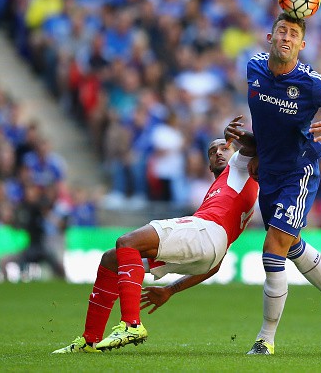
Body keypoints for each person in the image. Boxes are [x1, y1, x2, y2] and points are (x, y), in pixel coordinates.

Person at [52, 117, 259, 353]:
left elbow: (253, 146)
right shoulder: (225, 190)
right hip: (209, 251)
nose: (219, 153)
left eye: (224, 148)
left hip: (206, 232)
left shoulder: (238, 167)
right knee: (111, 259)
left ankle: (131, 324)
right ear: (209, 166)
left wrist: (238, 135)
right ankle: (90, 340)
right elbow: (214, 264)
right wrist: (170, 290)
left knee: (127, 242)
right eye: (212, 152)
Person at [244, 12, 321, 355]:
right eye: (281, 31)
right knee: (290, 245)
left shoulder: (312, 83)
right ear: (270, 37)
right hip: (269, 173)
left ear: (302, 45)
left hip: (298, 172)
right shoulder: (254, 68)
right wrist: (255, 149)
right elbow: (267, 122)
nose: (286, 38)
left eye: (293, 34)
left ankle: (265, 339)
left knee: (273, 248)